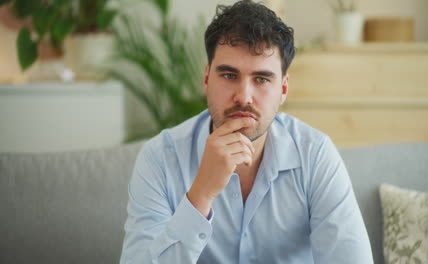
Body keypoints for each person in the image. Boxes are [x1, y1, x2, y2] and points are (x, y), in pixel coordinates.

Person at [120, 0, 373, 263]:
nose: (244, 96)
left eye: (262, 79)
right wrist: (201, 194)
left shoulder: (315, 154)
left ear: (283, 89)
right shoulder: (160, 158)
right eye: (229, 75)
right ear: (206, 79)